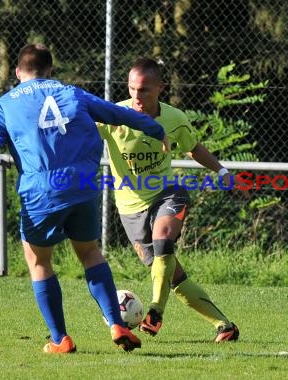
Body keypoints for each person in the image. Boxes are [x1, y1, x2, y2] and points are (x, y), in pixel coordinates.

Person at [0, 44, 170, 354]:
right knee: (90, 253)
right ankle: (116, 324)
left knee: (39, 261)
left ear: (19, 72)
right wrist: (154, 129)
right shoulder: (72, 93)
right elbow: (118, 113)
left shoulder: (3, 106)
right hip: (82, 184)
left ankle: (61, 339)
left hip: (40, 191)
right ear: (49, 71)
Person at [98, 58, 240, 342]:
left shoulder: (175, 118)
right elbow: (81, 131)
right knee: (173, 276)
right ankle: (225, 326)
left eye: (145, 90)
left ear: (160, 87)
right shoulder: (114, 116)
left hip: (168, 193)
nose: (137, 96)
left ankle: (155, 312)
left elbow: (193, 148)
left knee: (164, 239)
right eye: (132, 89)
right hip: (130, 209)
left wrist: (222, 171)